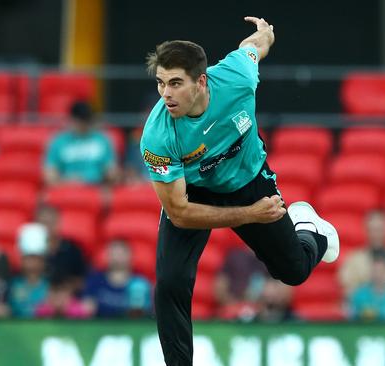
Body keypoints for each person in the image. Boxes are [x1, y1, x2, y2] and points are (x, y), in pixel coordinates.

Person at [140, 16, 339, 365]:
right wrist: (250, 215)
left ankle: (308, 227)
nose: (166, 94)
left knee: (292, 272)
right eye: (160, 83)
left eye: (175, 83)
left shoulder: (237, 78)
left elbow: (253, 49)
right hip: (195, 193)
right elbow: (180, 213)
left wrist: (265, 33)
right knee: (170, 283)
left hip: (248, 180)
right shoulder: (158, 135)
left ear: (201, 82)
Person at [43, 101, 120, 187]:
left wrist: (111, 177)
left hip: (96, 188)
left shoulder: (102, 140)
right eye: (80, 121)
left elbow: (111, 171)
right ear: (72, 120)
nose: (83, 125)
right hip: (67, 188)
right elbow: (49, 175)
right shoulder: (58, 141)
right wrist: (67, 182)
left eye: (86, 121)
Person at [80, 240, 152, 318]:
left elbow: (144, 312)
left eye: (121, 253)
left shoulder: (140, 284)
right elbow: (87, 307)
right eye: (114, 253)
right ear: (108, 255)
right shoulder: (95, 281)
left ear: (130, 255)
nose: (117, 257)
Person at [35, 204, 89, 293]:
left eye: (51, 222)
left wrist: (64, 287)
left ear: (59, 223)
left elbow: (82, 281)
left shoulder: (72, 250)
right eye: (43, 223)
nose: (47, 227)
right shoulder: (30, 251)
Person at [8, 223, 50, 318]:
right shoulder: (11, 284)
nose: (32, 263)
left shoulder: (51, 285)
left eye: (36, 258)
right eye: (28, 258)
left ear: (43, 260)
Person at [214, 247, 267, 319]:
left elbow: (281, 292)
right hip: (232, 309)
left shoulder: (270, 259)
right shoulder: (234, 257)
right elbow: (219, 289)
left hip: (262, 311)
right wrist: (235, 304)